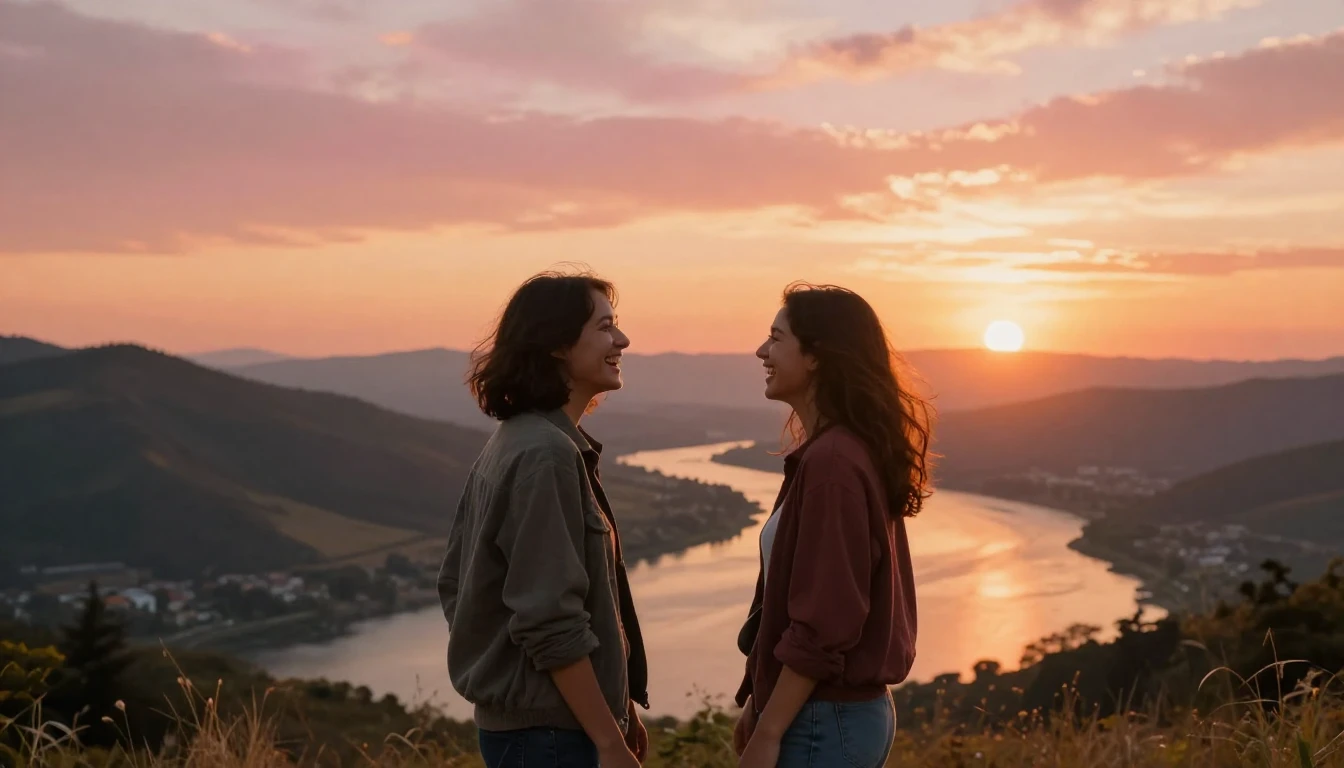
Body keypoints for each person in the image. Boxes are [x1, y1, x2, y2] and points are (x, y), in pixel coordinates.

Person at [438, 270, 649, 768]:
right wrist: (608, 742)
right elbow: (550, 621)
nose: (622, 339)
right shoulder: (544, 455)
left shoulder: (518, 440)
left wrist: (618, 709)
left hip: (541, 729)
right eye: (605, 327)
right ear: (557, 343)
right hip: (551, 737)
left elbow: (455, 586)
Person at [733, 283, 932, 768]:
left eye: (776, 339)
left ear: (818, 355)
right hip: (832, 716)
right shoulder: (839, 451)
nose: (761, 351)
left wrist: (770, 730)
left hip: (823, 719)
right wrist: (758, 702)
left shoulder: (833, 462)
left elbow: (826, 622)